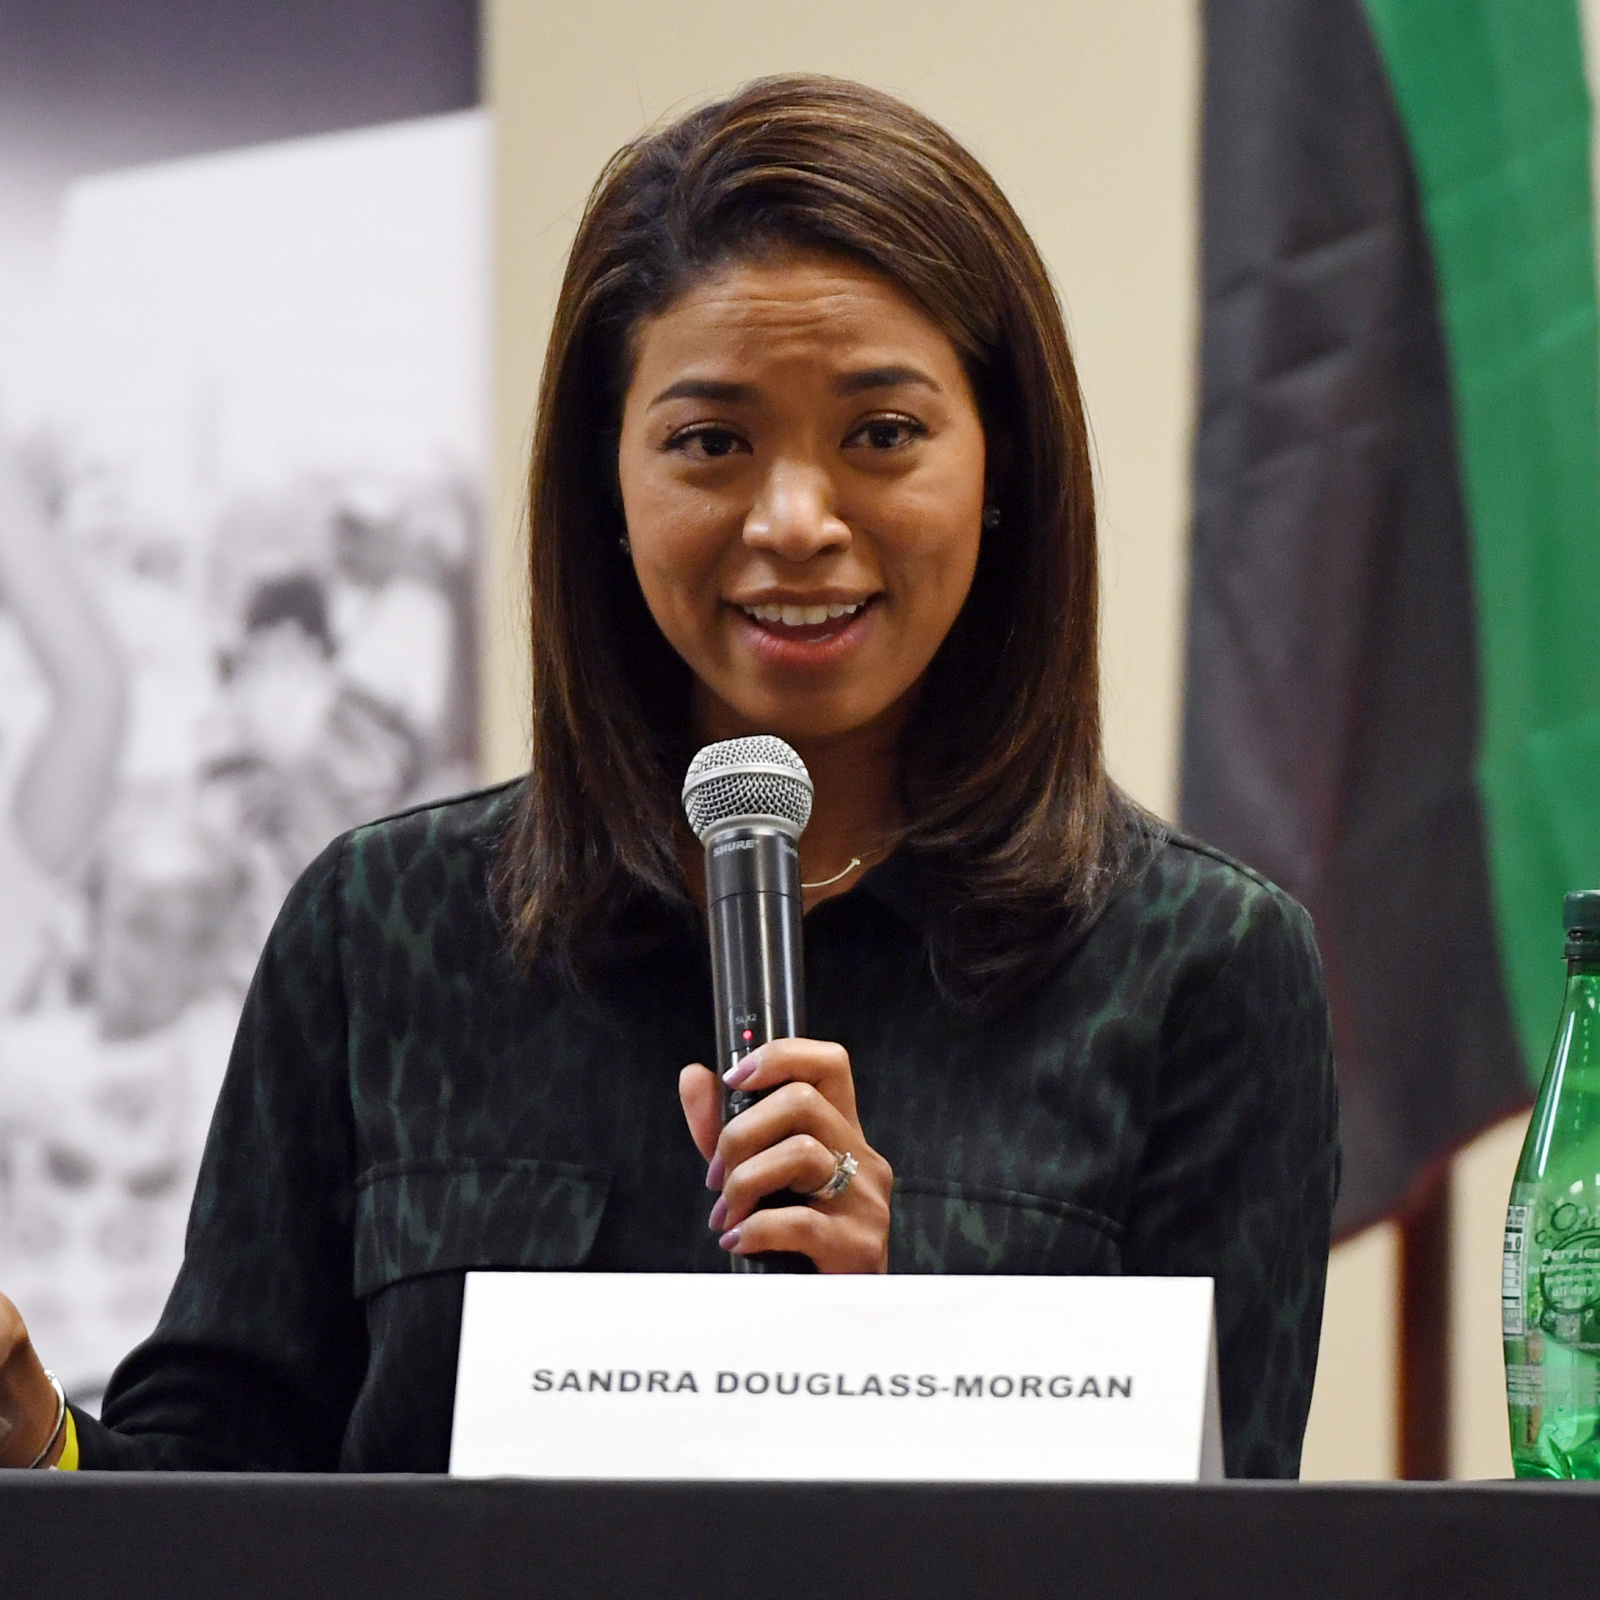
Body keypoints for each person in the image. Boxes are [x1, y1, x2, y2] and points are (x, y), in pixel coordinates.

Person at [0, 75, 1338, 1478]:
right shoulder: (382, 926)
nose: (794, 520)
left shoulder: (1202, 967)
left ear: (1000, 463)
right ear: (611, 480)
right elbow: (214, 1495)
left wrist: (902, 1349)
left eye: (882, 434)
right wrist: (35, 1439)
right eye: (712, 442)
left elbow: (1224, 1540)